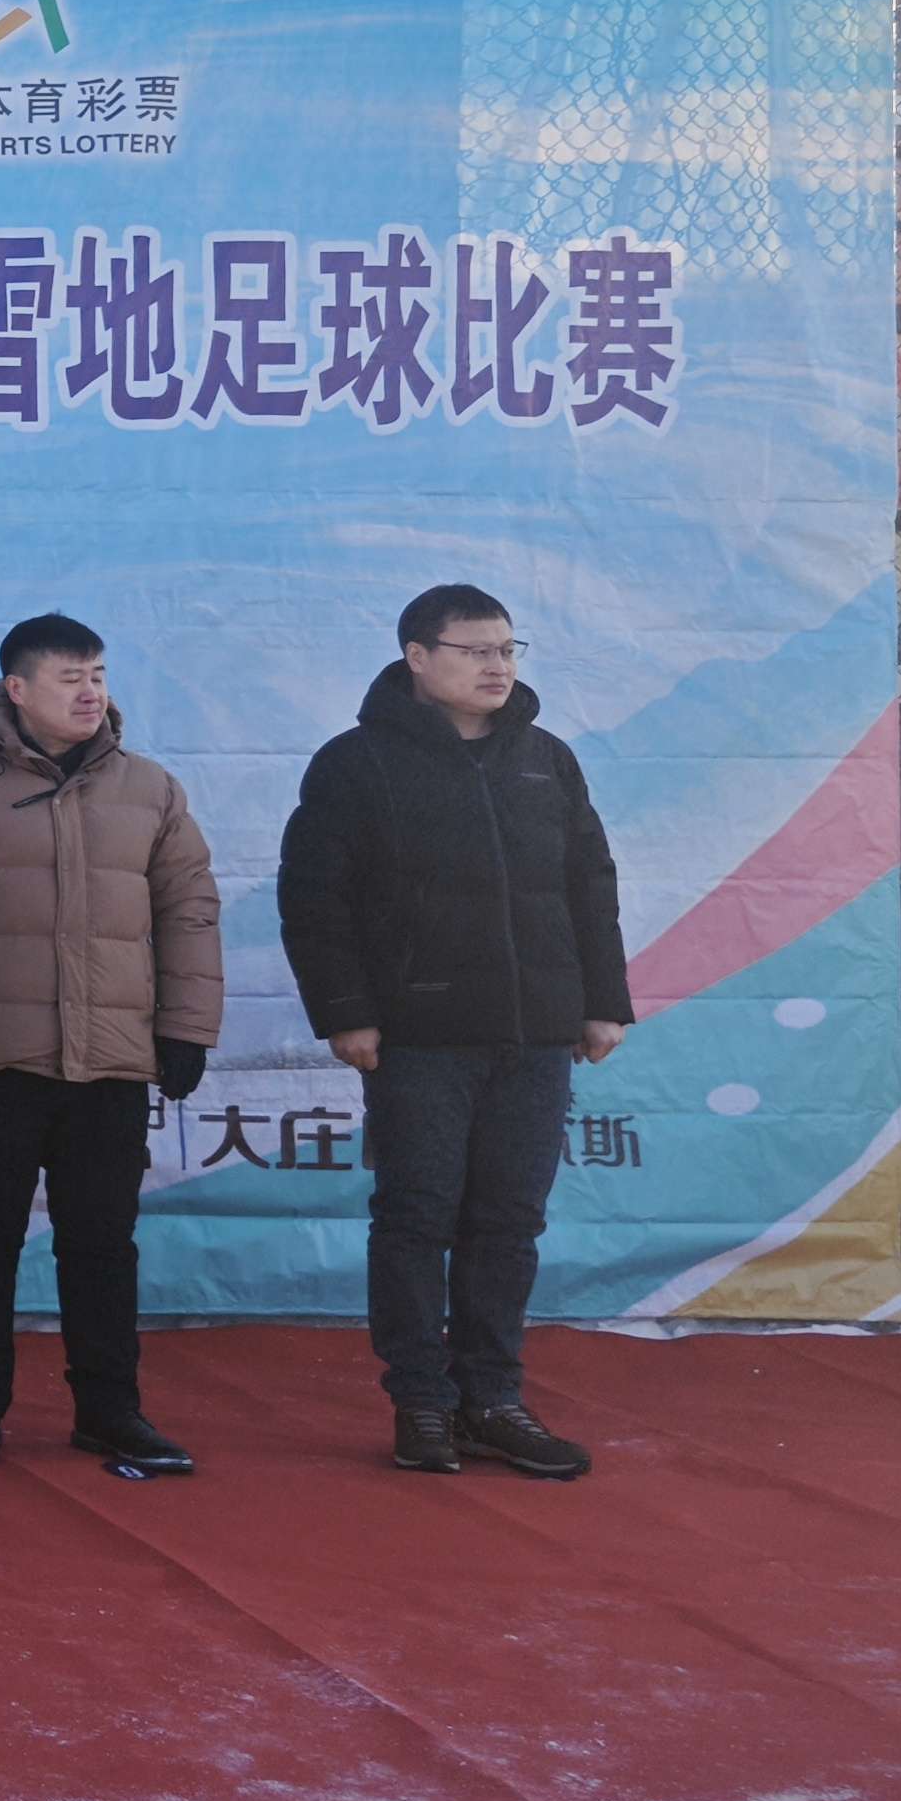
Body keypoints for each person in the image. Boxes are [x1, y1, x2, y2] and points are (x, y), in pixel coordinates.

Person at [277, 583, 628, 1480]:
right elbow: (315, 900)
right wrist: (347, 1013)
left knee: (509, 1223)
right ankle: (422, 1402)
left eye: (507, 649)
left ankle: (492, 1400)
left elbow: (590, 883)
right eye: (475, 651)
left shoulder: (545, 759)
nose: (496, 666)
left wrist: (602, 1001)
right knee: (416, 1218)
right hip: (419, 1036)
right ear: (418, 657)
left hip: (535, 1036)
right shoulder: (356, 763)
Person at [0, 612, 223, 1473]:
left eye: (99, 676)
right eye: (70, 677)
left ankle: (111, 1411)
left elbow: (189, 910)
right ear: (17, 689)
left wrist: (185, 1028)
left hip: (112, 1057)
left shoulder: (149, 788)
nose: (90, 693)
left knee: (103, 1242)